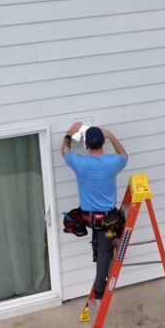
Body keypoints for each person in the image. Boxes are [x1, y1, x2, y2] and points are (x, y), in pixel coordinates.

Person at [62, 123, 128, 299]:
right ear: (102, 143)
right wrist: (112, 136)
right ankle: (100, 291)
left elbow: (65, 151)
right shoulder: (112, 162)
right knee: (105, 254)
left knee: (102, 250)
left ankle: (99, 260)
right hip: (107, 220)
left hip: (88, 219)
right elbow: (124, 155)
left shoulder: (79, 162)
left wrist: (69, 134)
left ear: (87, 146)